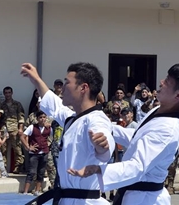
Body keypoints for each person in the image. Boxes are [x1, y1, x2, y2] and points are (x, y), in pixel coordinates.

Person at [66, 63, 179, 205]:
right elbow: (138, 137)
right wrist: (109, 128)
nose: (161, 82)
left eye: (167, 82)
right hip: (134, 194)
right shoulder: (158, 111)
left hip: (145, 198)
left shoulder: (168, 128)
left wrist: (98, 169)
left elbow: (137, 166)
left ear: (178, 95)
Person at [21, 62, 115, 205]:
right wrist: (37, 81)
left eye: (67, 82)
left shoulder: (97, 119)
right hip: (65, 198)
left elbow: (103, 140)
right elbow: (55, 106)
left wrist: (102, 146)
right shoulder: (72, 119)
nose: (62, 88)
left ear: (83, 88)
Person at [21, 110, 51, 196]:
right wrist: (28, 147)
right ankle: (25, 191)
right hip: (34, 153)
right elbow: (23, 136)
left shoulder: (49, 128)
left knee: (41, 172)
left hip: (44, 152)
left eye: (44, 117)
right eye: (40, 117)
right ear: (37, 119)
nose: (42, 119)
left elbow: (55, 135)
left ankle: (37, 190)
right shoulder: (32, 127)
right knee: (31, 172)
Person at [0, 86, 26, 173]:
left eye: (9, 92)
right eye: (6, 93)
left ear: (12, 93)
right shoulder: (2, 105)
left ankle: (18, 166)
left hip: (14, 128)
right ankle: (3, 166)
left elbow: (21, 117)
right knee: (3, 148)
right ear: (4, 94)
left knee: (17, 149)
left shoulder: (17, 104)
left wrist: (20, 129)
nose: (7, 94)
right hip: (4, 128)